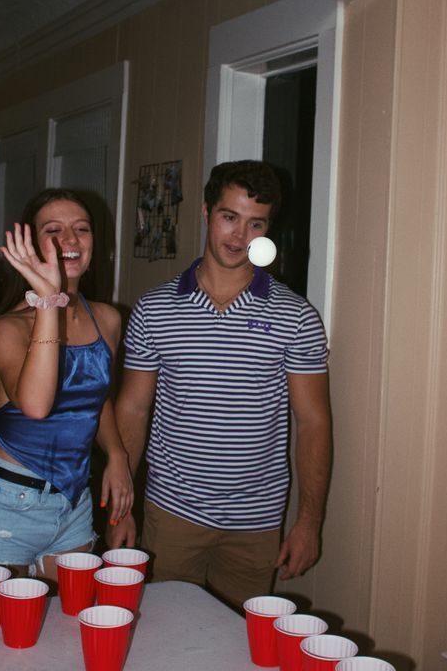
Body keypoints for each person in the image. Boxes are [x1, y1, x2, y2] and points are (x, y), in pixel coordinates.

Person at [113, 160, 332, 609]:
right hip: (171, 511)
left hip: (256, 523)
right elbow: (133, 410)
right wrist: (122, 508)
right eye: (229, 217)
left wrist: (309, 522)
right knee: (162, 638)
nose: (239, 236)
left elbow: (313, 423)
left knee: (235, 655)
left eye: (256, 224)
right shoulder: (155, 311)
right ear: (206, 212)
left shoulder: (297, 317)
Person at [0, 188, 133, 591]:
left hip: (73, 503)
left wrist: (116, 454)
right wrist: (49, 302)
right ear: (30, 245)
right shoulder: (7, 328)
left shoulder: (108, 319)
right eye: (55, 230)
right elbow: (35, 405)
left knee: (69, 634)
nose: (71, 240)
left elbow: (96, 398)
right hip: (4, 504)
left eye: (81, 229)